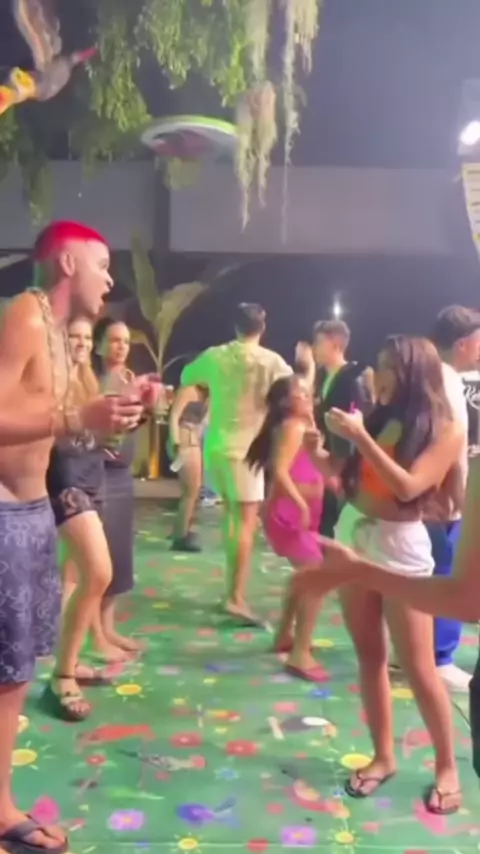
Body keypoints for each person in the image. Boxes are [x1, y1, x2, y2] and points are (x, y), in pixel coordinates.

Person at [0, 220, 144, 854]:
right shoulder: (26, 316)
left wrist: (105, 418)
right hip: (4, 514)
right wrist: (74, 415)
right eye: (102, 263)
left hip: (30, 512)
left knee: (13, 675)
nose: (109, 279)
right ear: (66, 264)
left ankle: (0, 806)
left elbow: (57, 429)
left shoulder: (59, 334)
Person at [291, 336, 463, 813]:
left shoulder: (445, 429)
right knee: (370, 656)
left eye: (386, 366)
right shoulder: (380, 417)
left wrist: (361, 436)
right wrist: (315, 452)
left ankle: (447, 766)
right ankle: (383, 756)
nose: (375, 374)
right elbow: (344, 477)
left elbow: (408, 487)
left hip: (400, 547)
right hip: (354, 533)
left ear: (411, 373)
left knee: (419, 667)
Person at [177, 303, 313, 625]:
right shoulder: (272, 361)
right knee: (245, 524)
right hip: (245, 451)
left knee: (232, 519)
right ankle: (235, 597)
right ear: (262, 328)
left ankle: (231, 590)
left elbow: (186, 376)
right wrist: (308, 368)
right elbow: (299, 392)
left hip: (216, 446)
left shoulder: (216, 355)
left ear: (236, 326)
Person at [44, 317, 114, 721]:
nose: (83, 343)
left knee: (74, 578)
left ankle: (66, 662)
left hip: (92, 478)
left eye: (88, 337)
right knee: (99, 572)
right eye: (75, 336)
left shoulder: (88, 379)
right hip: (65, 483)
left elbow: (94, 437)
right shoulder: (50, 380)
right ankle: (62, 677)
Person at [246, 375, 328, 678]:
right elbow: (280, 471)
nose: (308, 397)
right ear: (285, 401)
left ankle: (285, 634)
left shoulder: (303, 425)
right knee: (315, 576)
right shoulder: (293, 426)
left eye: (308, 392)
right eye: (300, 393)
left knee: (307, 575)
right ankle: (300, 652)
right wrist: (300, 504)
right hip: (292, 513)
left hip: (298, 510)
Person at [91, 318, 155, 657]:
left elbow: (130, 427)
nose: (121, 347)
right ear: (99, 345)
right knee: (95, 562)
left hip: (121, 474)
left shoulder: (132, 380)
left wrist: (147, 407)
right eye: (114, 340)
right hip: (95, 473)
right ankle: (95, 635)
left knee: (118, 555)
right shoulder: (90, 381)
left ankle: (108, 628)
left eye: (126, 341)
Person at [426, 305, 480, 692]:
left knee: (430, 571)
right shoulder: (446, 381)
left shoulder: (434, 376)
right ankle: (440, 658)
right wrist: (456, 497)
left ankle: (420, 648)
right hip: (444, 499)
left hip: (434, 494)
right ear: (462, 343)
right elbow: (446, 443)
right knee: (448, 573)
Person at [312, 319, 373, 536]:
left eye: (319, 343)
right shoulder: (324, 377)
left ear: (335, 344)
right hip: (329, 464)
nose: (314, 348)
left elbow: (358, 425)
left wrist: (338, 471)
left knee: (338, 529)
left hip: (346, 470)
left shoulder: (353, 377)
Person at [169, 384, 209, 551]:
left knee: (194, 490)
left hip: (195, 441)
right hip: (185, 439)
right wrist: (176, 443)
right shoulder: (189, 390)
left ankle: (182, 529)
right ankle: (180, 536)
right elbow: (174, 416)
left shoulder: (209, 395)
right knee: (191, 490)